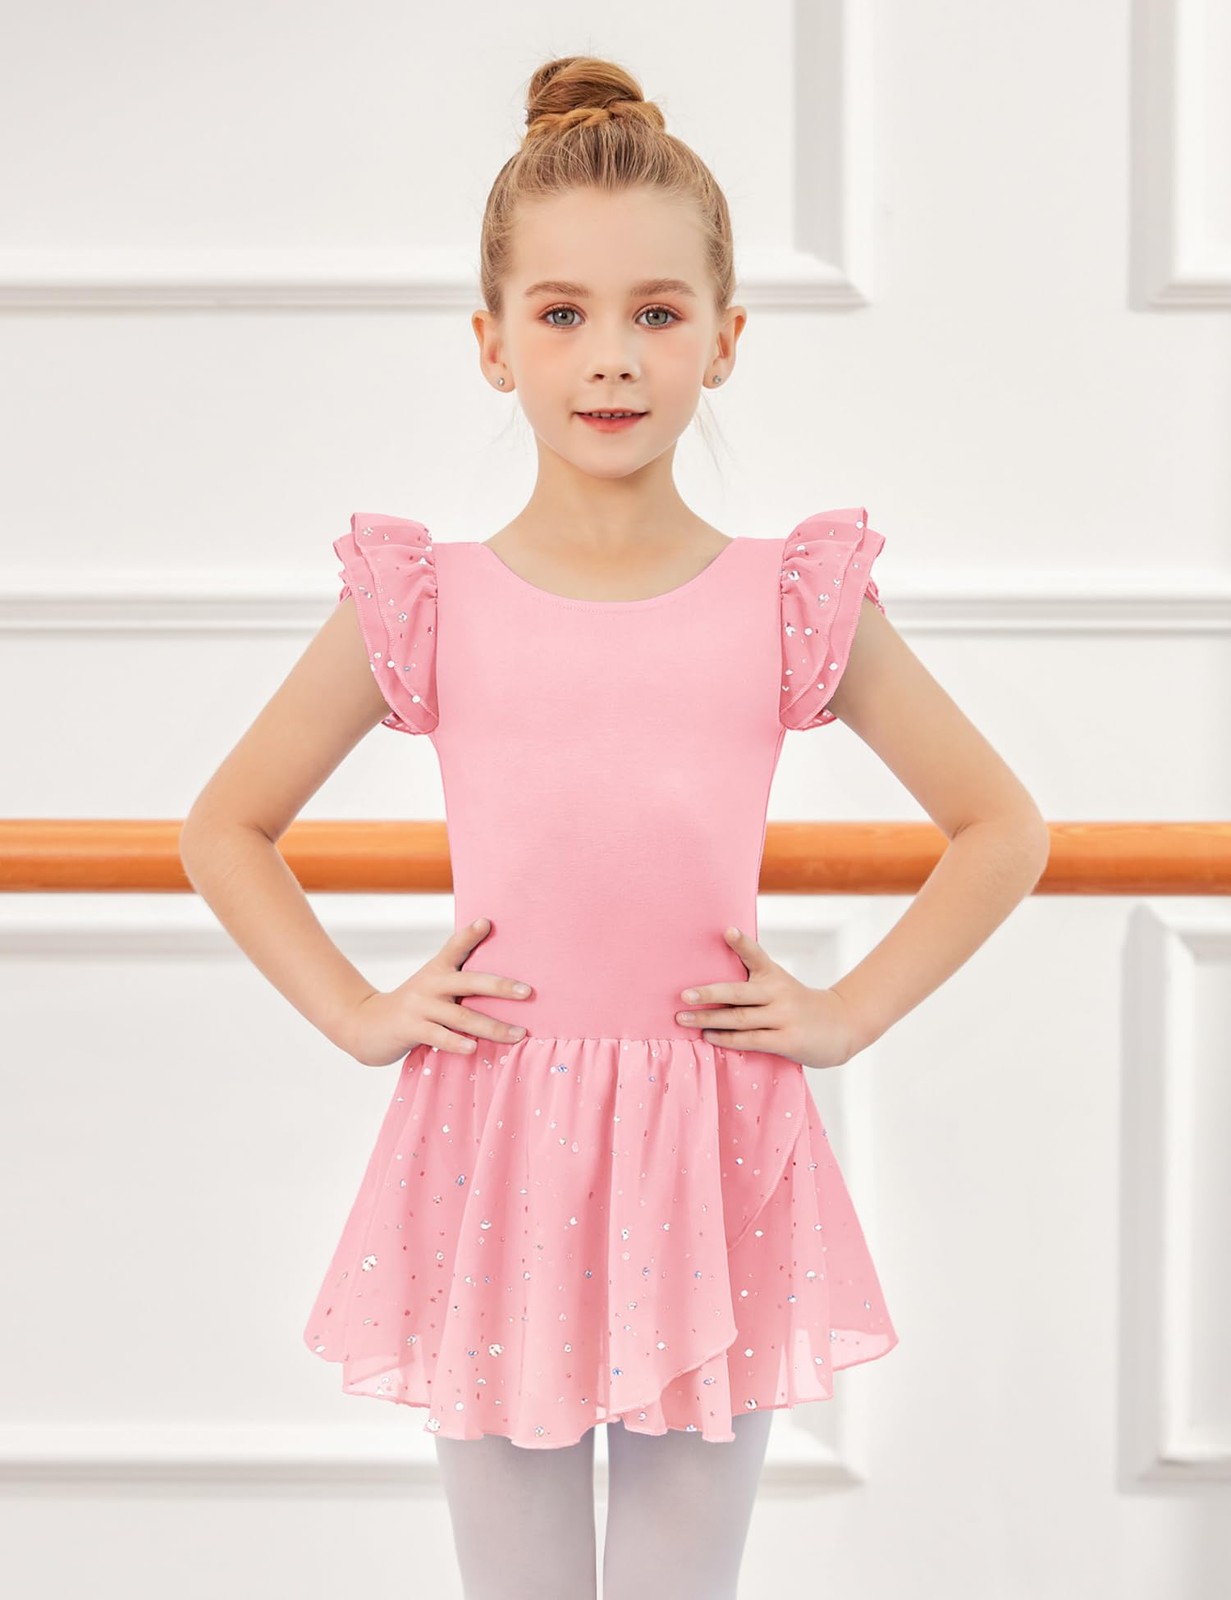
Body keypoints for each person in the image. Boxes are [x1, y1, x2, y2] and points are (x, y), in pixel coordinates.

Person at [179, 52, 1050, 1600]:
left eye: (655, 314)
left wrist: (847, 1013)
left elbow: (1000, 826)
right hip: (494, 1142)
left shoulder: (791, 600)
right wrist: (360, 1016)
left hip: (713, 1145)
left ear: (725, 338)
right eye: (563, 314)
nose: (610, 360)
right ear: (492, 342)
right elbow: (227, 826)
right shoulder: (424, 601)